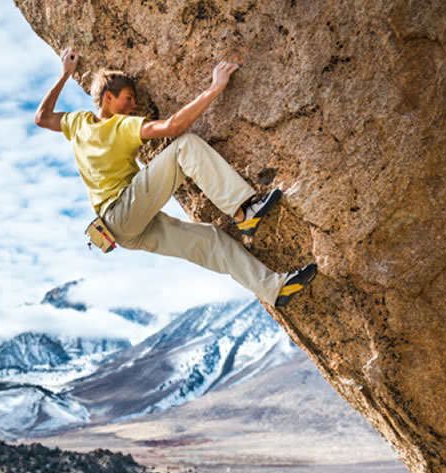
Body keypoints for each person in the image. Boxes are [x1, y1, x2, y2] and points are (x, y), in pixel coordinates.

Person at [34, 48, 316, 307]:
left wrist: (64, 74)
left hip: (122, 231)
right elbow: (174, 126)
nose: (133, 105)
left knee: (212, 240)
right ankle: (243, 212)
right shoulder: (121, 125)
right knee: (185, 147)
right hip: (122, 211)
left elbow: (41, 117)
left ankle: (274, 288)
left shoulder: (78, 122)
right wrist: (215, 87)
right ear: (109, 97)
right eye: (128, 98)